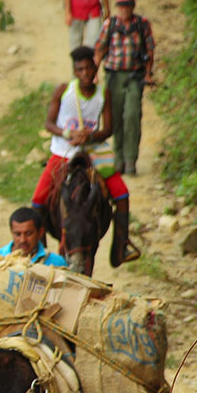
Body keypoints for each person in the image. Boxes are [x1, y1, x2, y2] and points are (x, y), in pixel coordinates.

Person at [32, 46, 139, 266]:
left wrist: (89, 137)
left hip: (93, 152)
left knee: (122, 194)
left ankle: (120, 246)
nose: (85, 74)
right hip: (63, 153)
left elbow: (108, 129)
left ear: (95, 68)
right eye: (80, 69)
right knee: (38, 200)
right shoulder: (64, 90)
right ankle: (38, 253)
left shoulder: (103, 94)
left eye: (89, 68)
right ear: (74, 71)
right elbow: (48, 123)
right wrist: (68, 133)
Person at [93, 0, 156, 177]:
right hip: (114, 76)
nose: (124, 9)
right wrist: (94, 74)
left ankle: (131, 159)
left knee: (132, 115)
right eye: (121, 5)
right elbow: (100, 50)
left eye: (127, 5)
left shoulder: (142, 25)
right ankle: (118, 158)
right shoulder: (110, 25)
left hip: (135, 76)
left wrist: (148, 74)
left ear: (133, 7)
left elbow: (150, 50)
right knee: (115, 117)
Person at [0, 206, 69, 267]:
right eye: (17, 234)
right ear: (11, 232)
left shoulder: (56, 263)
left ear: (40, 232)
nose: (22, 240)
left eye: (28, 234)